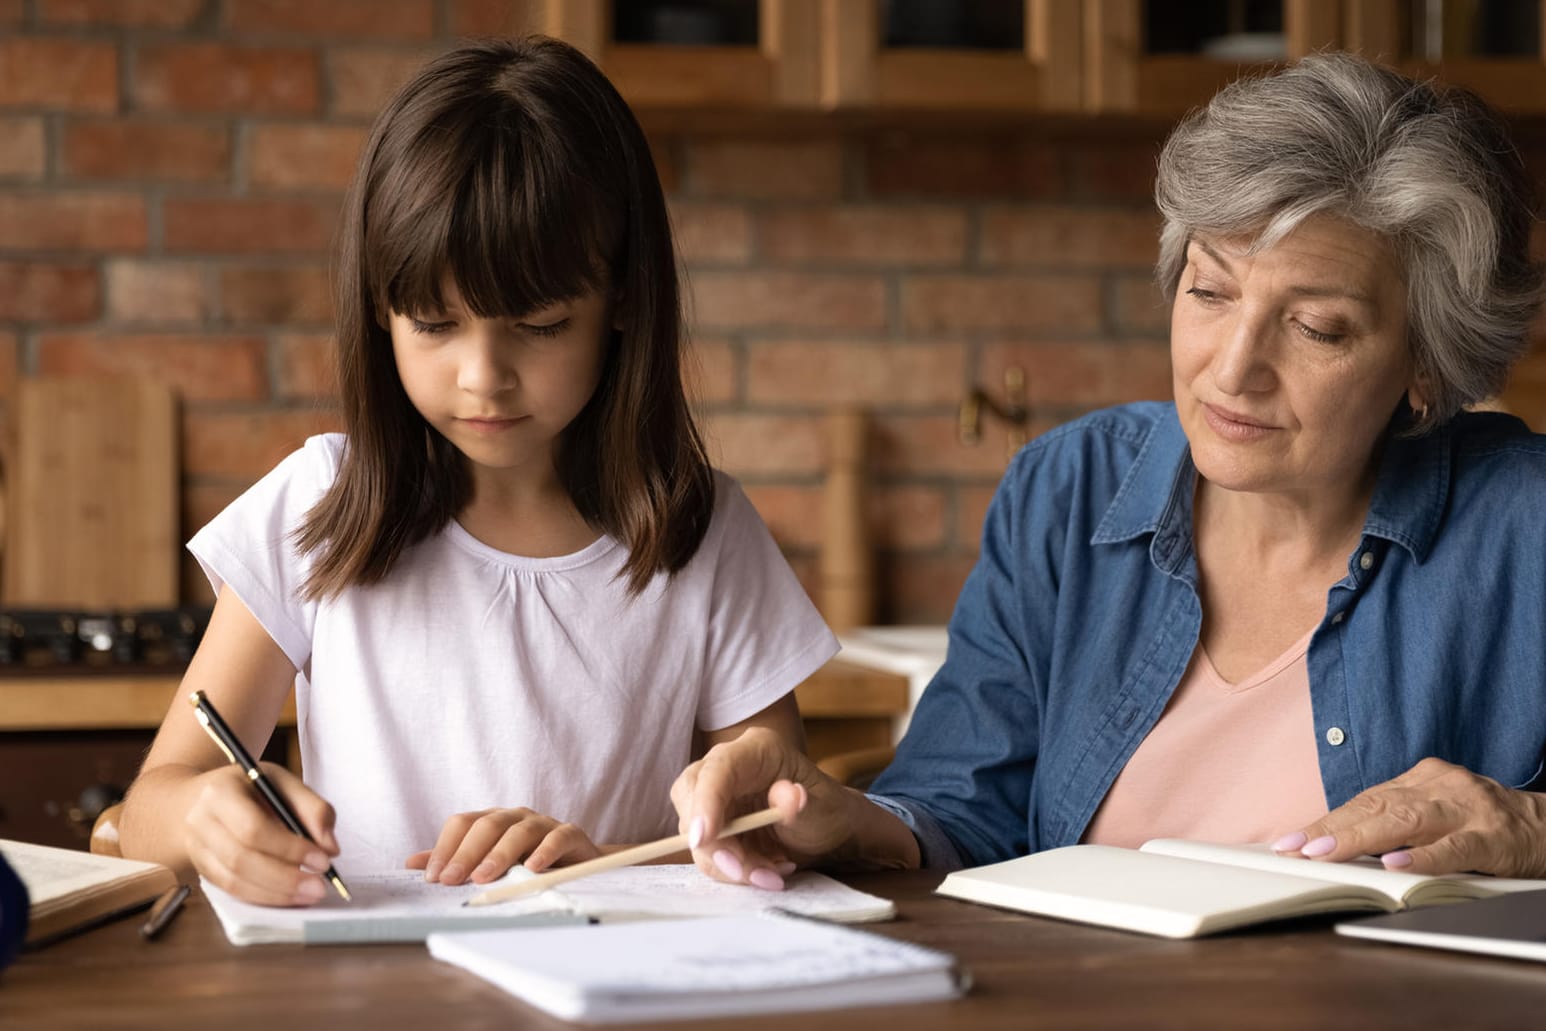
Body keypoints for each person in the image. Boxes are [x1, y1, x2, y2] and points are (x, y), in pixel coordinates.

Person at [674, 52, 1546, 884]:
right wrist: (844, 815)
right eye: (1210, 291)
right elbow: (960, 811)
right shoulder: (1068, 490)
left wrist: (1532, 828)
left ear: (1426, 364)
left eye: (1316, 327)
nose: (1233, 367)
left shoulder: (1523, 524)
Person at [118, 36, 835, 907]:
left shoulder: (704, 530)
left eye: (537, 326)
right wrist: (204, 815)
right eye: (433, 322)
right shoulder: (320, 505)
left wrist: (607, 861)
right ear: (380, 312)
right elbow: (146, 809)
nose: (481, 376)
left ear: (623, 304)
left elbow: (773, 833)